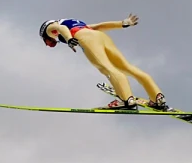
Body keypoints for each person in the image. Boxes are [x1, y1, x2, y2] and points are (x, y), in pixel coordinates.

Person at [38, 14, 168, 110]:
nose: (50, 43)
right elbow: (99, 26)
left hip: (86, 39)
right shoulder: (73, 23)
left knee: (106, 68)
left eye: (47, 41)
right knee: (126, 67)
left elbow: (60, 28)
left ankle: (126, 100)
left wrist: (69, 39)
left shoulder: (50, 27)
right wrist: (122, 23)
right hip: (101, 36)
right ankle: (157, 97)